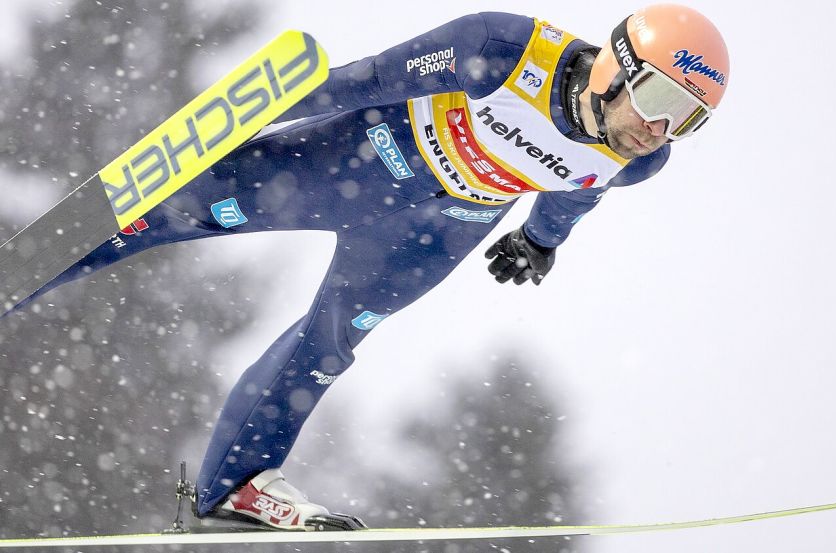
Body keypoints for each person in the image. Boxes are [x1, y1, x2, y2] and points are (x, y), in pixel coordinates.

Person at [14, 4, 729, 530]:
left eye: (688, 119)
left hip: (433, 232)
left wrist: (540, 242)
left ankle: (234, 488)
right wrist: (251, 115)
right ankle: (27, 268)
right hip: (359, 160)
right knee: (170, 208)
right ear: (616, 67)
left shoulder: (637, 162)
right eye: (662, 100)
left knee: (329, 343)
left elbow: (576, 193)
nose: (660, 130)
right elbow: (364, 81)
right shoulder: (501, 49)